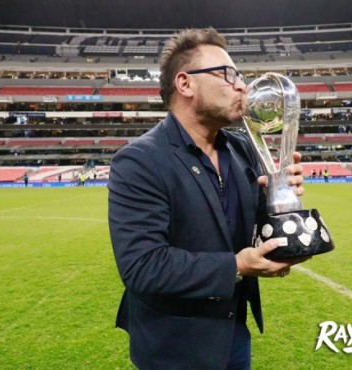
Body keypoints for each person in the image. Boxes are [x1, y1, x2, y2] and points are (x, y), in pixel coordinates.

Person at [108, 28, 307, 370]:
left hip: (233, 330)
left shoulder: (240, 147)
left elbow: (245, 226)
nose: (242, 86)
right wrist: (237, 266)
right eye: (228, 75)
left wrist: (276, 198)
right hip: (173, 344)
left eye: (240, 76)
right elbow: (143, 266)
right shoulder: (139, 160)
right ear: (185, 84)